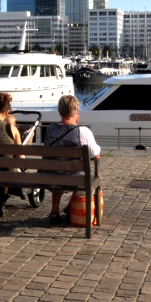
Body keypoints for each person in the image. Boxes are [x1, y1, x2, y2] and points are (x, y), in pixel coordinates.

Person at [43, 95, 101, 225]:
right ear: (76, 110)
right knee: (81, 173)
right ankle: (69, 207)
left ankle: (55, 210)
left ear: (60, 111)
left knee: (59, 169)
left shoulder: (50, 128)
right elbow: (96, 156)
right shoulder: (82, 131)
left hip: (49, 176)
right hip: (75, 178)